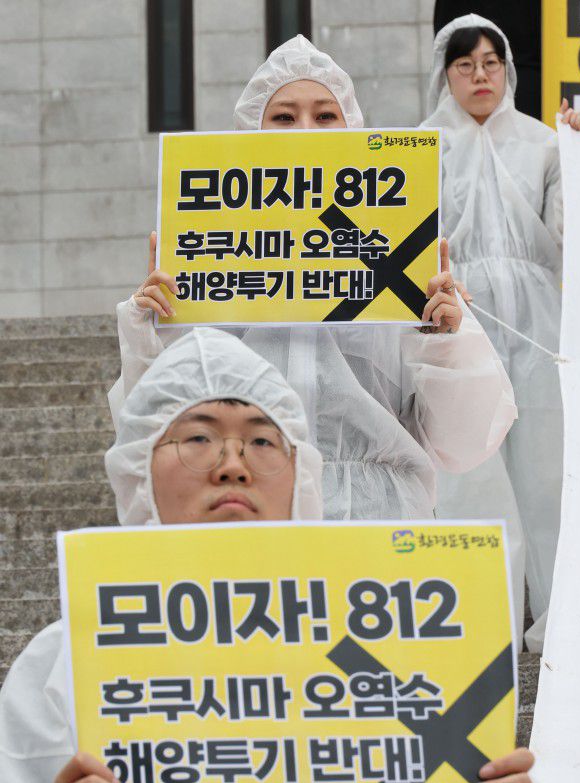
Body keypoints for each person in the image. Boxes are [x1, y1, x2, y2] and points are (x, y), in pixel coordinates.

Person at [0, 329, 548, 783]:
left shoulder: (390, 647)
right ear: (138, 465)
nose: (233, 462)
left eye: (263, 440)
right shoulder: (66, 663)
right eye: (197, 436)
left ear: (303, 474)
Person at [111, 34, 517, 524]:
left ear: (351, 127)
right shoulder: (208, 257)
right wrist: (152, 332)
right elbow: (152, 429)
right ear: (251, 131)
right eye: (284, 117)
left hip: (378, 522)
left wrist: (446, 341)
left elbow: (463, 442)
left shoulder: (404, 263)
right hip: (251, 517)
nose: (305, 130)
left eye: (325, 115)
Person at [422, 14, 580, 649]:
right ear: (446, 73)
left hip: (538, 316)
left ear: (508, 69)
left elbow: (572, 230)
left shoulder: (543, 143)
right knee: (469, 466)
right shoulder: (419, 147)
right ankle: (481, 618)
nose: (480, 76)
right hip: (460, 314)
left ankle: (562, 622)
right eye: (465, 64)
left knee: (548, 466)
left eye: (491, 63)